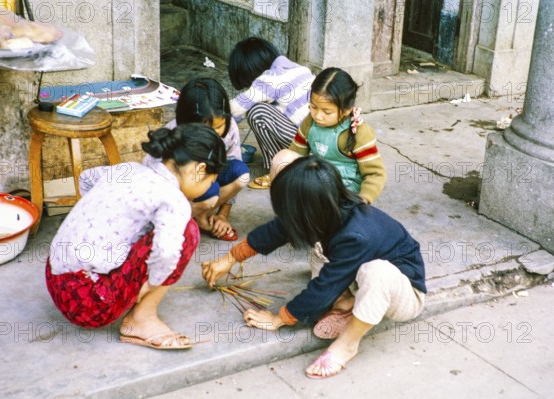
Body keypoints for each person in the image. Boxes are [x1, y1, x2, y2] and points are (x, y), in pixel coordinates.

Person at [201, 156, 426, 378]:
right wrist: (229, 259)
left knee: (376, 272)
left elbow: (324, 287)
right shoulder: (327, 209)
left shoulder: (356, 234)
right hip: (355, 277)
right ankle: (346, 302)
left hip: (403, 293)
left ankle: (347, 344)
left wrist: (279, 319)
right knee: (321, 248)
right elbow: (277, 230)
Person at [46, 123, 226, 350]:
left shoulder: (129, 168)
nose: (209, 187)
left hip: (55, 274)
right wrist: (149, 286)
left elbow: (87, 178)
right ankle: (142, 319)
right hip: (88, 304)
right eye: (211, 181)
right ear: (200, 170)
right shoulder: (173, 198)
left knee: (154, 228)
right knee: (187, 232)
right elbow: (167, 252)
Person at [269, 67, 386, 204]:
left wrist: (363, 200)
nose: (318, 116)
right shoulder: (310, 122)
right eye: (313, 107)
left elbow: (375, 173)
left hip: (344, 191)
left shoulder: (359, 132)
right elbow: (295, 154)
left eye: (327, 112)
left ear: (346, 110)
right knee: (282, 158)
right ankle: (286, 210)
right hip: (319, 181)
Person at [166, 77, 250, 241]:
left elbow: (233, 160)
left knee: (241, 173)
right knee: (210, 191)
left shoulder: (230, 126)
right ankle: (188, 220)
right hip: (182, 191)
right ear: (187, 121)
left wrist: (223, 214)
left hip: (207, 180)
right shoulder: (173, 134)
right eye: (205, 128)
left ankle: (201, 215)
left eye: (218, 127)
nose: (212, 134)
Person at [228, 36, 314, 186]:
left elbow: (237, 108)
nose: (250, 86)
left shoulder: (271, 77)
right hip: (323, 144)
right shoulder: (298, 69)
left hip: (310, 147)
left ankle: (277, 170)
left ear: (251, 71)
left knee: (257, 111)